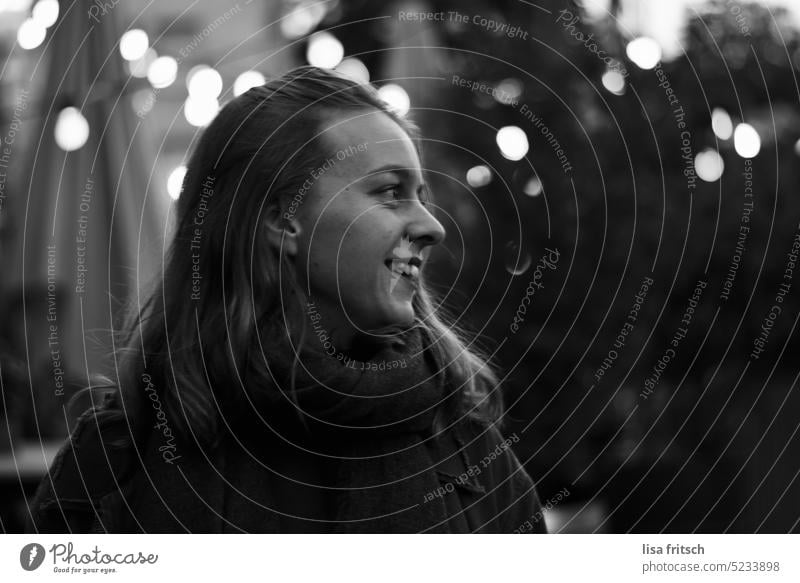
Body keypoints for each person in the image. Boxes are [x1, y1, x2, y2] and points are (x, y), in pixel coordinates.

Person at [26, 66, 547, 534]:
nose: (432, 227)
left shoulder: (468, 444)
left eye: (422, 196)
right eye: (390, 192)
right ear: (283, 218)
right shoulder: (124, 456)